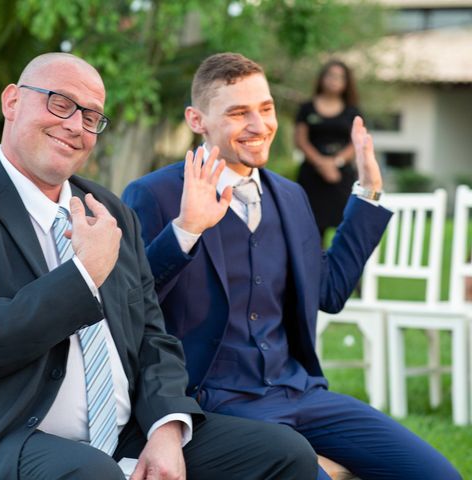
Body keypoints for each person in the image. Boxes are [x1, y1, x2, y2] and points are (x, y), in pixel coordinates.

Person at [0, 52, 318, 480]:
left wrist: (167, 426)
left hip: (123, 433)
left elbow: (152, 335)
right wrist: (83, 276)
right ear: (12, 101)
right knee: (92, 472)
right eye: (60, 102)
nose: (76, 125)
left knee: (285, 454)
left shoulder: (108, 211)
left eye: (91, 117)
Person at [122, 52, 461, 480]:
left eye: (266, 109)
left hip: (301, 393)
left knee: (436, 475)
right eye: (238, 113)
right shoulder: (154, 194)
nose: (259, 126)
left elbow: (330, 291)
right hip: (215, 402)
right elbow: (130, 304)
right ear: (197, 120)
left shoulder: (291, 197)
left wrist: (369, 194)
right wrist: (185, 230)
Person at [294, 60, 361, 242]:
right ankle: (312, 269)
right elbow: (300, 140)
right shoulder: (307, 108)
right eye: (330, 75)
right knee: (311, 229)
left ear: (347, 82)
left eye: (340, 77)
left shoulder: (352, 111)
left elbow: (356, 143)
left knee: (346, 226)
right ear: (322, 78)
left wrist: (335, 162)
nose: (334, 80)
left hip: (341, 176)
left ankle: (343, 269)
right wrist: (321, 163)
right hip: (312, 175)